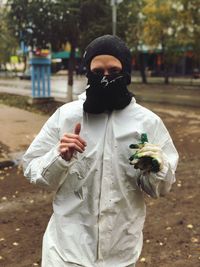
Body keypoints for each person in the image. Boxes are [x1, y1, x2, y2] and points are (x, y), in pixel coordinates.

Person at [23, 35, 179, 267]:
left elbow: (160, 189)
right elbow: (31, 168)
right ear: (87, 72)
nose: (105, 77)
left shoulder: (148, 123)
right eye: (97, 72)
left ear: (126, 71)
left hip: (120, 253)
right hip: (65, 253)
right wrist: (58, 157)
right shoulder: (67, 116)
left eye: (113, 70)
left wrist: (157, 169)